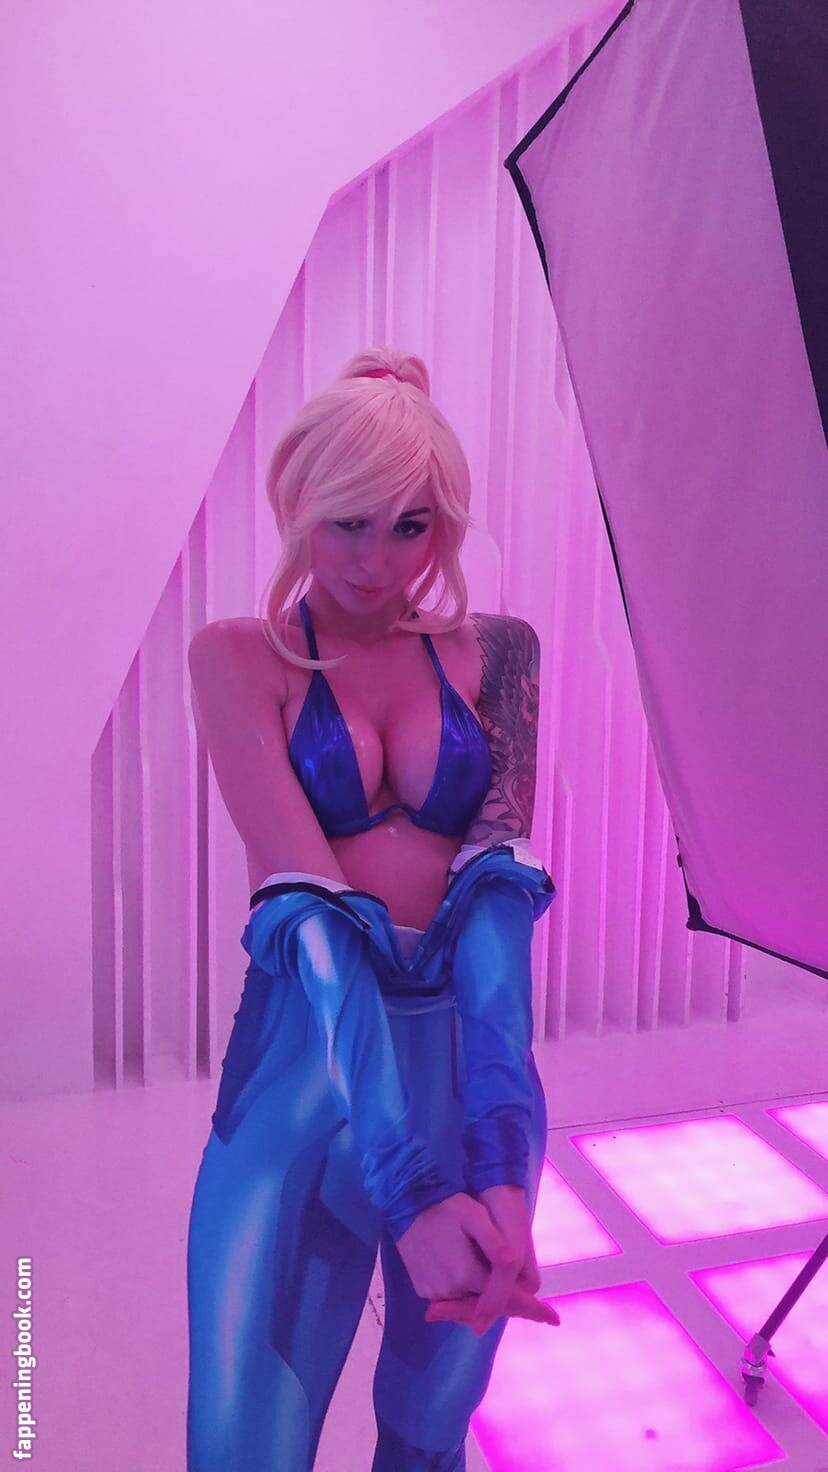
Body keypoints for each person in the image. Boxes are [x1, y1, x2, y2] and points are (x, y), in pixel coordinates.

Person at [185, 346, 560, 1472]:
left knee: (430, 1440)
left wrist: (501, 1158)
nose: (375, 559)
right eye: (348, 521)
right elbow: (310, 919)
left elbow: (497, 915)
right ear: (299, 502)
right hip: (303, 1074)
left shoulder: (499, 654)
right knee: (244, 1449)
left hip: (465, 1077)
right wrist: (410, 1185)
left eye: (409, 526)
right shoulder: (236, 657)